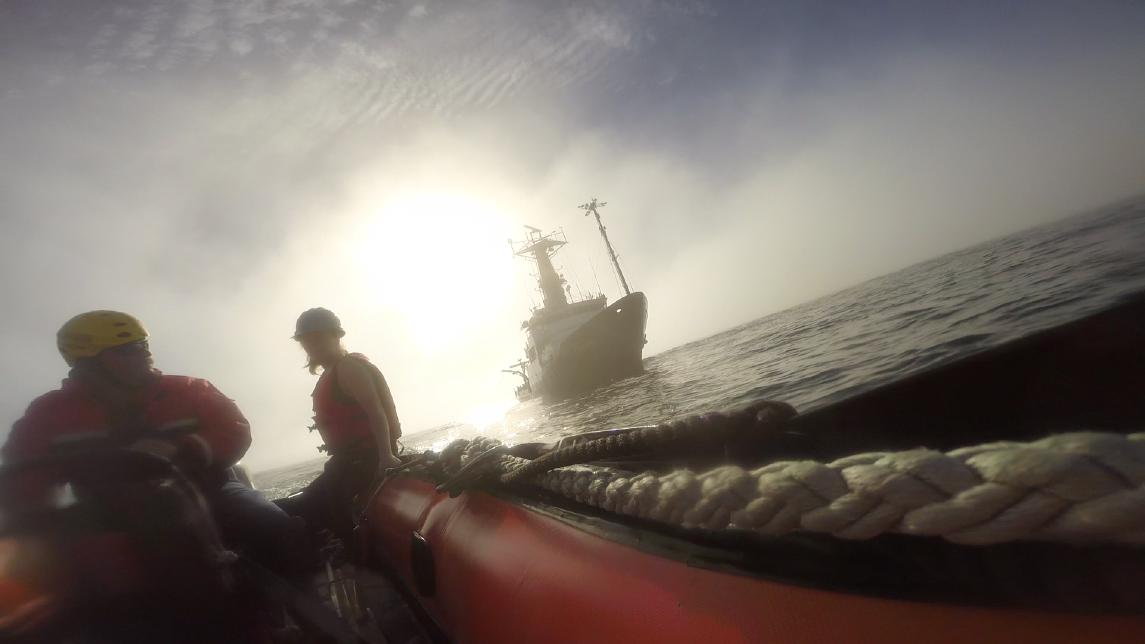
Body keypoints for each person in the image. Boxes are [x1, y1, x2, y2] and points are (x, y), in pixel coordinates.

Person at [0, 311, 316, 587]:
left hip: (210, 491)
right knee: (64, 580)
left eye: (144, 344)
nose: (145, 354)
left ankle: (302, 615)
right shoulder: (49, 415)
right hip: (109, 513)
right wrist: (35, 523)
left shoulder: (190, 390)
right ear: (89, 363)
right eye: (128, 349)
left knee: (277, 529)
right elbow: (24, 476)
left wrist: (182, 450)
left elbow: (233, 431)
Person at [278, 308, 402, 547]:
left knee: (305, 509)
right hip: (346, 462)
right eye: (307, 341)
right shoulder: (330, 373)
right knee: (299, 505)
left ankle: (350, 550)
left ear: (336, 337)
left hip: (366, 460)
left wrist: (385, 457)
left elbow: (375, 411)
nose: (313, 345)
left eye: (320, 338)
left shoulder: (348, 367)